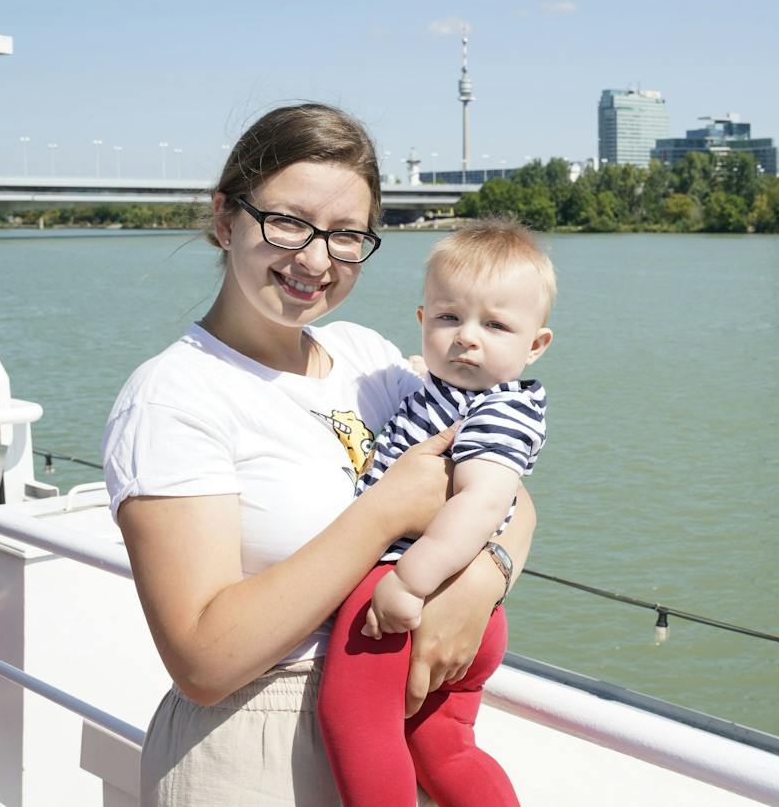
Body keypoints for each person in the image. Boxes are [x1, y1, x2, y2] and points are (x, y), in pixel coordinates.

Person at [102, 103, 535, 805]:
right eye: (288, 222)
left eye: (344, 235)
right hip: (250, 746)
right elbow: (204, 660)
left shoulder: (366, 359)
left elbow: (510, 494)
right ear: (225, 218)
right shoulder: (174, 397)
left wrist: (481, 582)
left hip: (389, 720)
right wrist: (385, 508)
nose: (313, 259)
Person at [318, 219, 555, 807]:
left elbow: (485, 501)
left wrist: (409, 582)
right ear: (422, 323)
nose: (467, 338)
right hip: (463, 602)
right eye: (449, 318)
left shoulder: (498, 411)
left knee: (358, 727)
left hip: (410, 586)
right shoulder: (437, 391)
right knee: (443, 748)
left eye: (496, 325)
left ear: (536, 345)